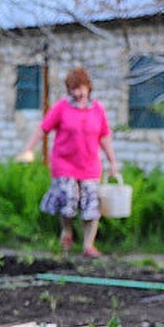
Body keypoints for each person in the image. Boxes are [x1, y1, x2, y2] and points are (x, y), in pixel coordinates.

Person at [16, 67, 118, 258]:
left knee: (91, 206)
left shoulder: (97, 110)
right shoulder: (61, 107)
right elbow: (42, 129)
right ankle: (67, 231)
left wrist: (113, 162)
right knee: (68, 201)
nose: (78, 93)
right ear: (69, 90)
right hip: (64, 163)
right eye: (73, 89)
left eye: (81, 88)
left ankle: (89, 246)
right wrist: (28, 149)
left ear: (88, 87)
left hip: (90, 165)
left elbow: (104, 137)